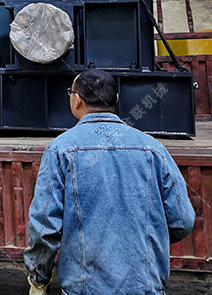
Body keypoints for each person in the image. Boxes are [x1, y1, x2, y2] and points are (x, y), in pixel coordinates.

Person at [24, 69, 195, 295]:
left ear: (77, 100)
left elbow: (44, 227)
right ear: (116, 99)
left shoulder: (60, 150)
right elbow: (183, 220)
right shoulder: (153, 148)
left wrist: (39, 278)